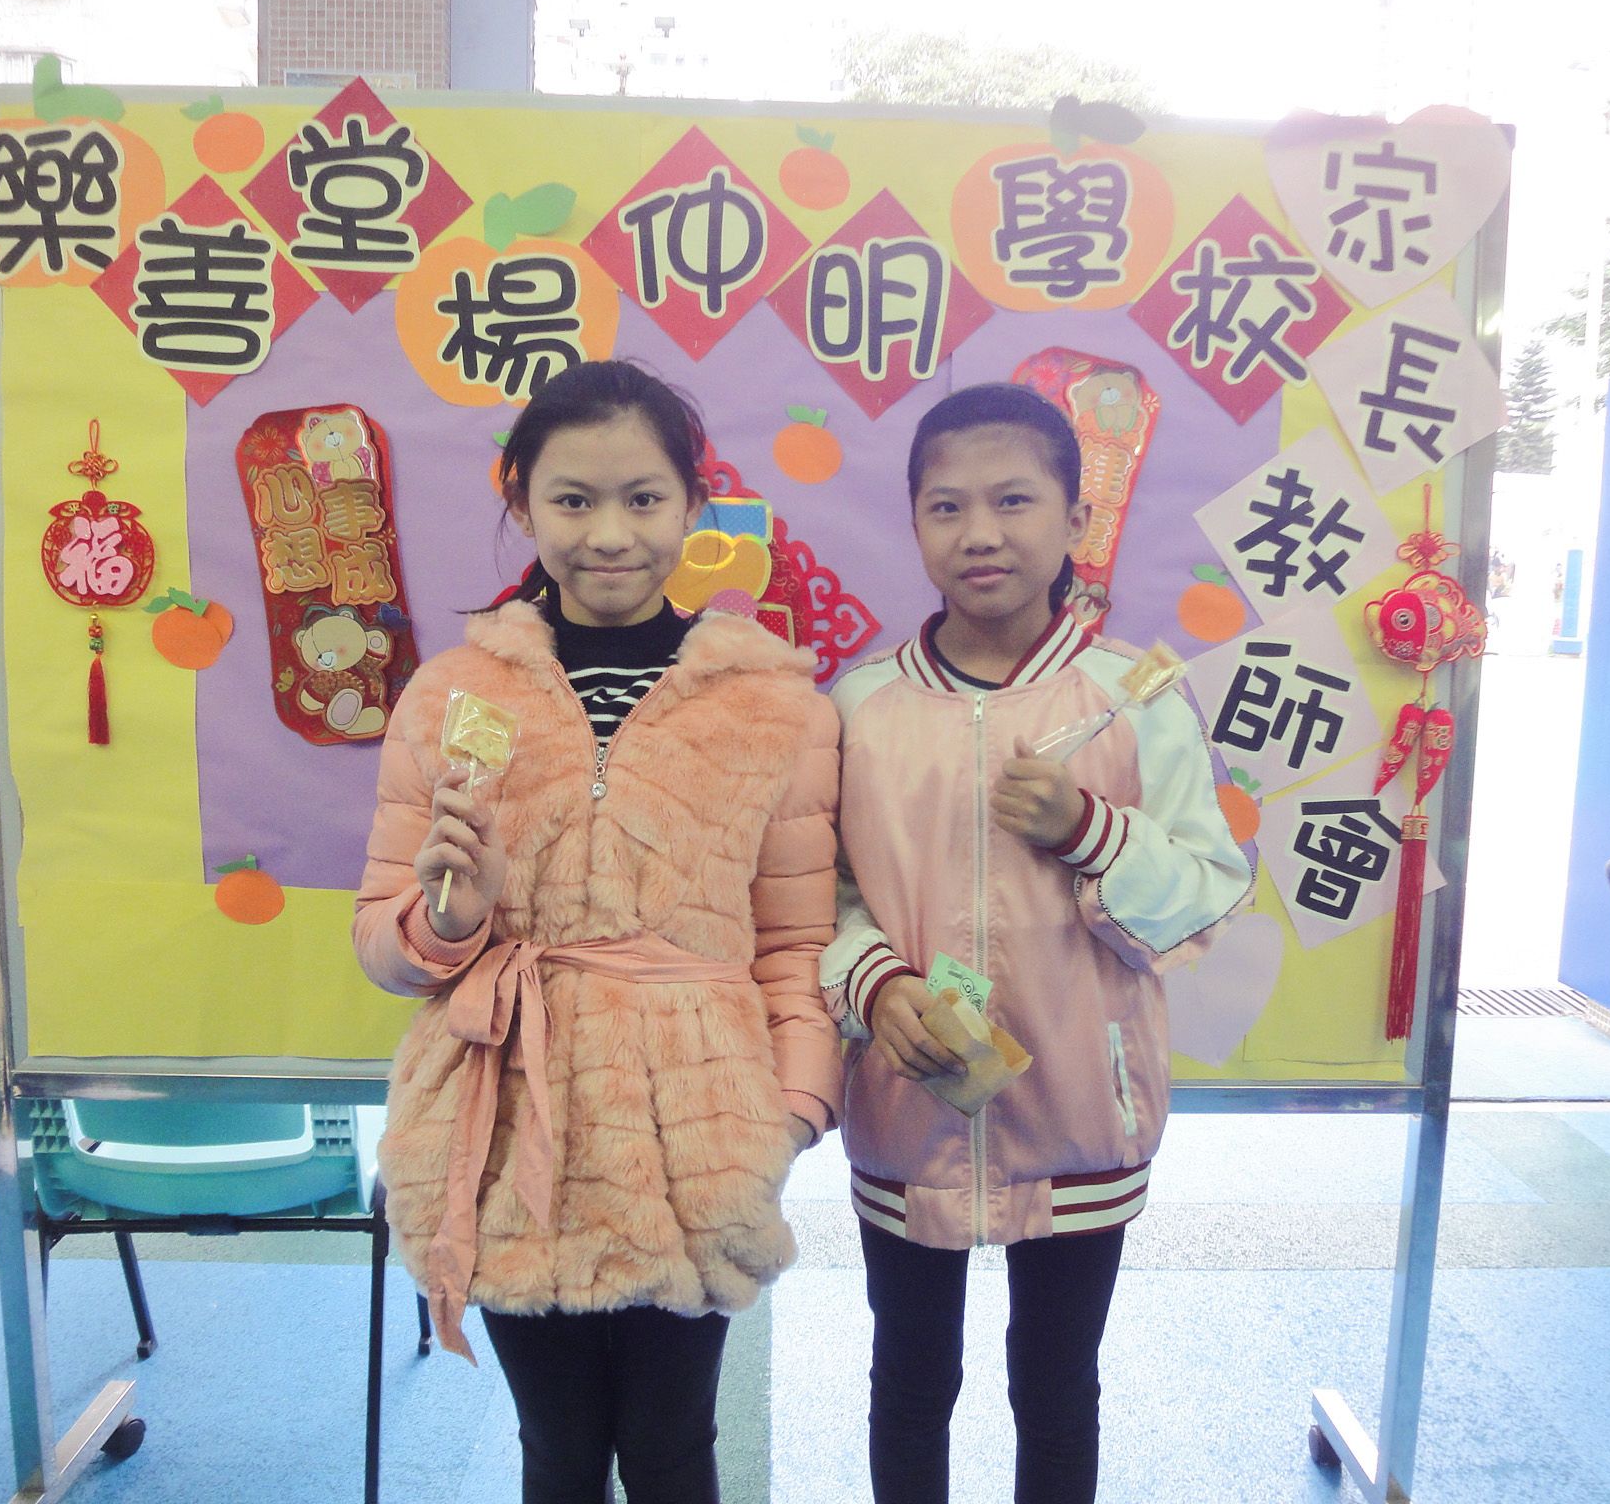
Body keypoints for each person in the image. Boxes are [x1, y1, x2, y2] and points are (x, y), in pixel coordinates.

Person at [353, 359, 841, 1504]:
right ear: (521, 502)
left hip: (699, 1132)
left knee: (672, 1448)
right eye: (572, 499)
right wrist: (449, 918)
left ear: (693, 504)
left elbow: (793, 944)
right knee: (559, 1448)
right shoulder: (453, 692)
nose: (608, 534)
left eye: (643, 498)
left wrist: (785, 1116)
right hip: (505, 1118)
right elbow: (382, 940)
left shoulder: (775, 704)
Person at [821, 382, 1252, 1504]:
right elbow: (819, 898)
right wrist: (873, 983)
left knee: (1057, 1385)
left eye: (1013, 501)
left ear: (1076, 520)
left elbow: (1206, 892)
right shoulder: (859, 706)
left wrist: (1089, 830)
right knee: (908, 1378)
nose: (981, 533)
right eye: (947, 507)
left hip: (1080, 1110)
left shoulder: (1129, 699)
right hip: (910, 1101)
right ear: (914, 523)